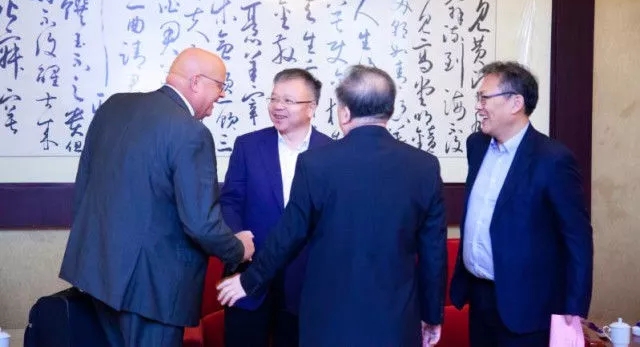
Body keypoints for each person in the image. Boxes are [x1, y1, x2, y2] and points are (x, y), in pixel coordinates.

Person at [217, 65, 447, 347]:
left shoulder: (317, 163)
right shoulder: (425, 166)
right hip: (396, 319)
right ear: (389, 110)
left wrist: (249, 281)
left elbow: (289, 234)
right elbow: (433, 251)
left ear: (345, 112)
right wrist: (432, 315)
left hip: (328, 318)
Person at [59, 48, 255, 347]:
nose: (220, 96)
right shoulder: (191, 133)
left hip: (98, 274)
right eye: (219, 87)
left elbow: (85, 182)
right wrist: (238, 250)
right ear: (196, 82)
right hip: (153, 290)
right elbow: (201, 224)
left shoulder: (114, 107)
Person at [449, 61, 593, 347]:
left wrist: (573, 308)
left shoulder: (552, 159)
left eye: (484, 98)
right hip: (479, 297)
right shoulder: (476, 145)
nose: (478, 106)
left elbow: (577, 238)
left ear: (515, 103)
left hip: (527, 306)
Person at [220, 68, 332, 347]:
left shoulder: (331, 153)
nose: (278, 106)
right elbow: (230, 200)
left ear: (311, 108)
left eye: (288, 100)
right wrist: (237, 236)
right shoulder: (248, 145)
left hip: (307, 279)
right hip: (249, 272)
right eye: (274, 98)